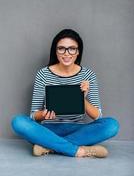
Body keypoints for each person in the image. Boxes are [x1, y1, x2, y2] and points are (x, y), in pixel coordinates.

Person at [11, 29, 119, 158]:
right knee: (18, 122)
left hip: (78, 130)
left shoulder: (88, 75)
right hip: (48, 130)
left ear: (78, 51)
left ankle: (49, 147)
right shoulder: (43, 74)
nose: (66, 53)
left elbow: (98, 116)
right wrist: (44, 115)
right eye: (61, 48)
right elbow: (34, 115)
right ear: (55, 51)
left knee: (112, 125)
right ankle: (78, 150)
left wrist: (81, 99)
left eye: (72, 49)